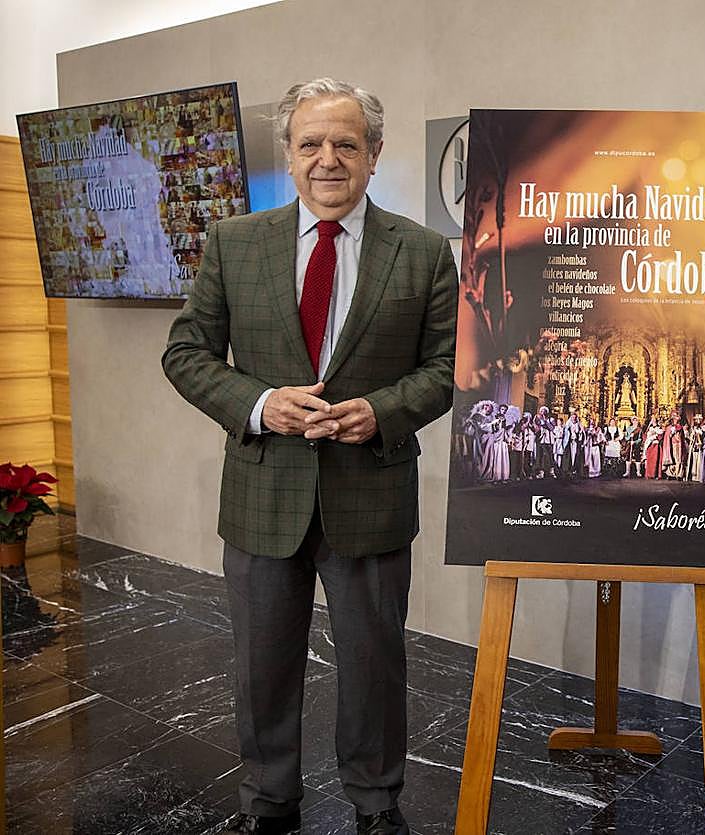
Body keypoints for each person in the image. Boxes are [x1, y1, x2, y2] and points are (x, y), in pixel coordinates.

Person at [162, 78, 457, 835]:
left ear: (375, 154)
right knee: (261, 664)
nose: (329, 159)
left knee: (374, 664)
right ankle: (268, 799)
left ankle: (376, 800)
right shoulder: (234, 242)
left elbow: (447, 367)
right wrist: (261, 403)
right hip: (263, 493)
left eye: (346, 144)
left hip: (370, 495)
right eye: (311, 144)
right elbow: (187, 353)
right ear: (289, 156)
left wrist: (383, 410)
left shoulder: (424, 253)